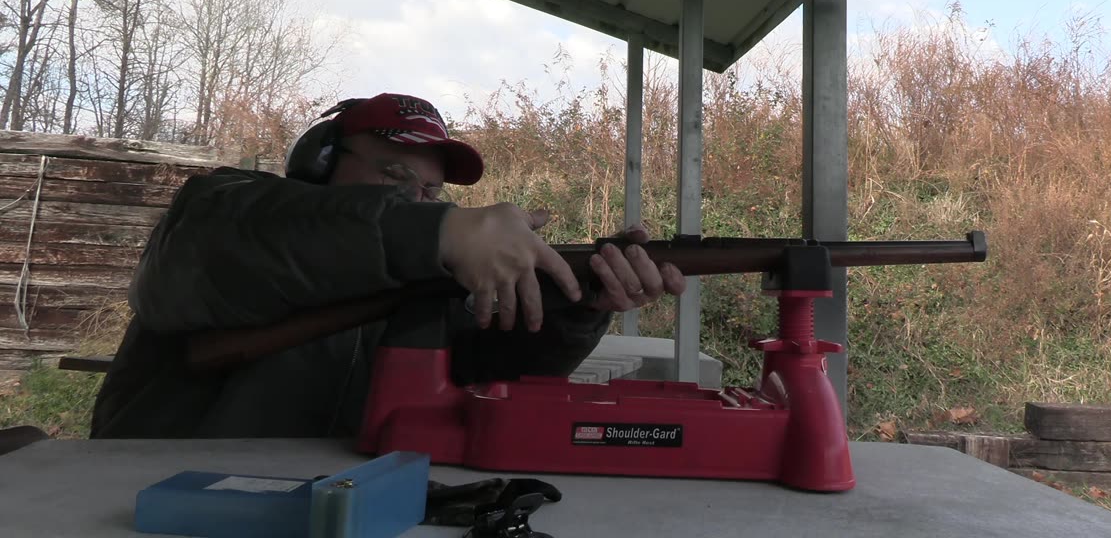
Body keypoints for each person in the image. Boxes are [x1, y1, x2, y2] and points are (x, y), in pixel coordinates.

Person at [89, 93, 686, 439]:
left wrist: (580, 303)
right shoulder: (227, 210)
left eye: (428, 191)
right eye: (391, 175)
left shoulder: (420, 276)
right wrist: (441, 228)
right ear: (319, 164)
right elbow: (236, 243)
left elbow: (482, 374)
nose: (411, 200)